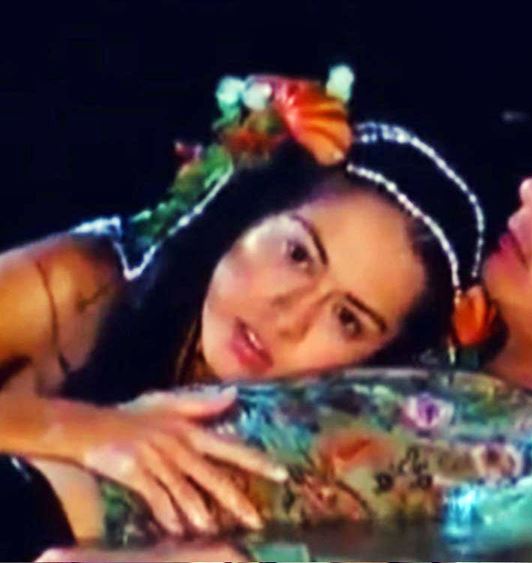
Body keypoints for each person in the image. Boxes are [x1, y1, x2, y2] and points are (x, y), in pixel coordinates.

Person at [0, 67, 488, 560]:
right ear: (249, 212)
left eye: (347, 319)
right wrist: (82, 430)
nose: (289, 317)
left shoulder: (330, 459)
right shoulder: (84, 283)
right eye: (298, 255)